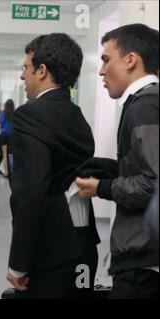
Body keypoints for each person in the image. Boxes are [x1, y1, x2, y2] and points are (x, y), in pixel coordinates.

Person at [6, 33, 100, 299]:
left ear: (42, 70)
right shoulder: (78, 117)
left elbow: (31, 194)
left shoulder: (30, 114)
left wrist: (19, 263)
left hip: (51, 253)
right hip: (84, 247)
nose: (22, 76)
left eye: (25, 68)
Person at [76, 23, 159, 299]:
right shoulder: (146, 103)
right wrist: (114, 170)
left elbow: (152, 185)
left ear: (131, 60)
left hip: (143, 261)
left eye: (106, 60)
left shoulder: (144, 107)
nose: (101, 70)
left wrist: (102, 188)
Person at [0, 99, 14, 179]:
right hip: (12, 136)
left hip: (4, 136)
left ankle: (6, 173)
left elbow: (1, 123)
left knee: (5, 155)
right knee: (11, 155)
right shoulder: (15, 113)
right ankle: (11, 171)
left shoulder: (3, 113)